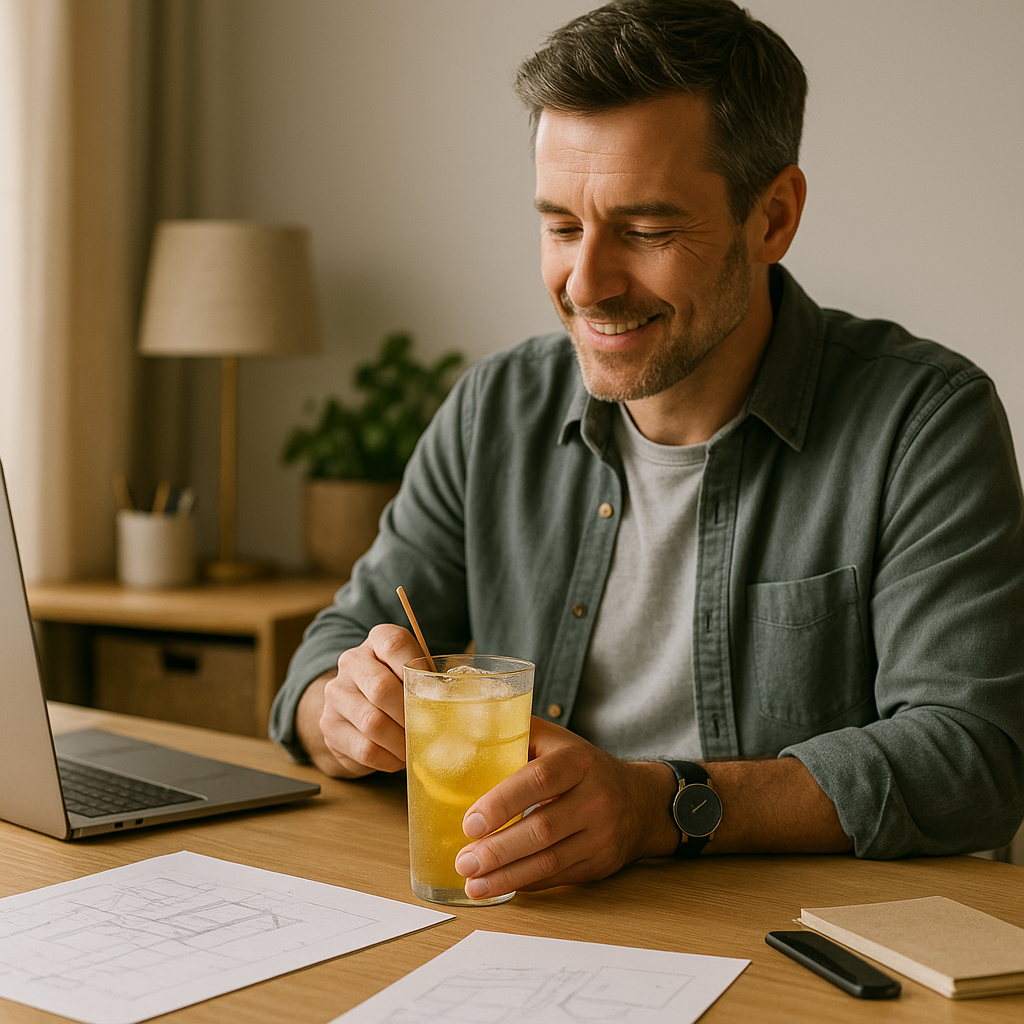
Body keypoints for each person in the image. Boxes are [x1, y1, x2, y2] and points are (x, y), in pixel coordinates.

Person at [270, 0, 1024, 900]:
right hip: (530, 918)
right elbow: (326, 657)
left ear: (773, 217)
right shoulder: (493, 410)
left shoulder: (924, 423)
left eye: (646, 232)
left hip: (797, 937)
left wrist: (658, 807)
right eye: (561, 227)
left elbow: (975, 756)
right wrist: (342, 712)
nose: (587, 284)